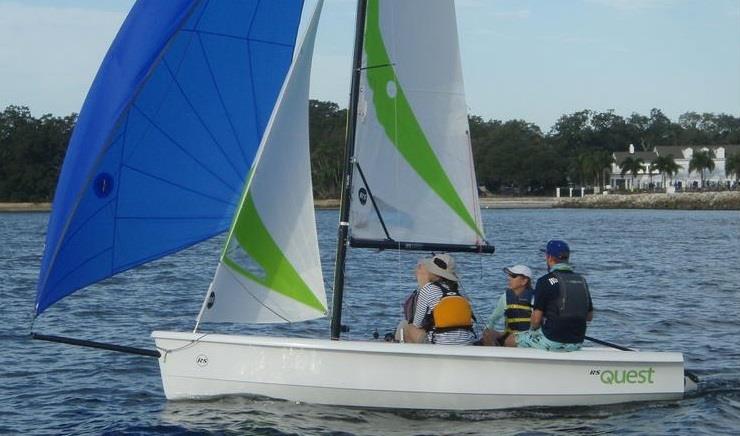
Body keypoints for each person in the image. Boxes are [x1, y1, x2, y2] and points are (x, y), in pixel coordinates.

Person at [504, 240, 593, 351]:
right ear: (568, 257)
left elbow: (536, 321)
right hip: (577, 342)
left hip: (552, 341)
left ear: (549, 257)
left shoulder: (544, 281)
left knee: (510, 340)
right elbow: (589, 317)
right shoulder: (582, 280)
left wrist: (532, 331)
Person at [396, 253, 476, 345]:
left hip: (439, 343)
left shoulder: (428, 288)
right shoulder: (460, 294)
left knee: (406, 326)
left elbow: (417, 324)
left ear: (433, 272)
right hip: (466, 343)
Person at [481, 264, 534, 346]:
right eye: (509, 275)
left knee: (511, 340)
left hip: (527, 337)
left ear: (524, 281)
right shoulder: (505, 297)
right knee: (488, 334)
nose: (509, 278)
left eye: (513, 276)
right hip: (509, 334)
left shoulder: (534, 297)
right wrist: (487, 331)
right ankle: (492, 356)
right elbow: (494, 318)